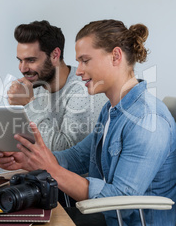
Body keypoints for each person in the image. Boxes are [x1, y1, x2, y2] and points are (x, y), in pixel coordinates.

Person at [0, 19, 176, 226]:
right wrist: (28, 159)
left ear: (115, 56)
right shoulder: (111, 110)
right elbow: (75, 158)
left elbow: (122, 203)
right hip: (107, 219)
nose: (78, 71)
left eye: (85, 61)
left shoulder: (145, 119)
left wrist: (51, 169)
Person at [7, 20, 106, 151]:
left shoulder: (84, 90)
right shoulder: (35, 85)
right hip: (39, 169)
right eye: (20, 60)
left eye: (31, 60)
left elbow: (64, 151)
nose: (23, 69)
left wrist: (29, 104)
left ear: (55, 55)